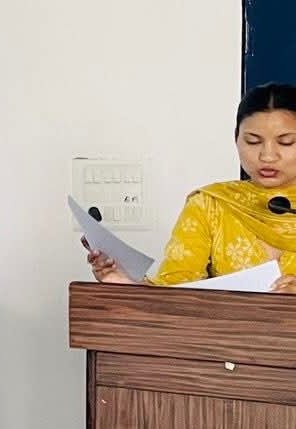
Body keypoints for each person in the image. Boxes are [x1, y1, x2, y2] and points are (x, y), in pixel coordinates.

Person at [88, 82, 296, 291]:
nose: (267, 156)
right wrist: (125, 282)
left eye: (286, 142)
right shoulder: (211, 205)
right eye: (253, 141)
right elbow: (175, 290)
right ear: (236, 138)